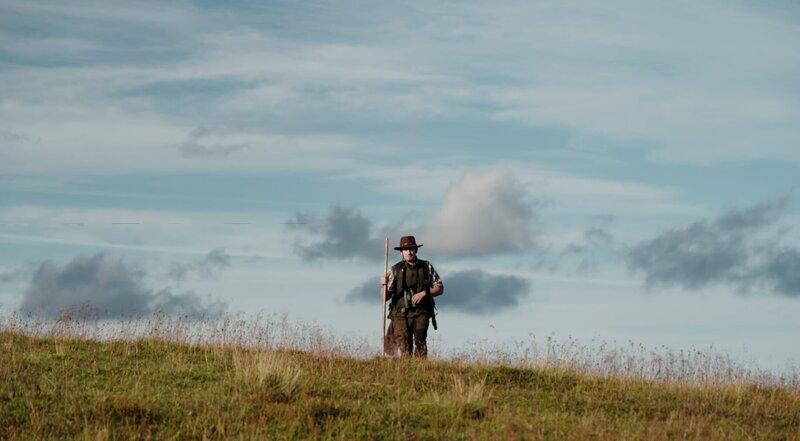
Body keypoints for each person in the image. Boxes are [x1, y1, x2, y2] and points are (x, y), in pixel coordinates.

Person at [380, 236, 443, 358]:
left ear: (416, 250)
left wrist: (425, 293)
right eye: (406, 249)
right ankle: (407, 368)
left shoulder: (426, 267)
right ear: (401, 252)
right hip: (400, 314)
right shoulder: (395, 270)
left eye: (411, 249)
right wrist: (383, 285)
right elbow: (385, 297)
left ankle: (421, 368)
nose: (409, 252)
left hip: (421, 312)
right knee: (405, 346)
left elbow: (440, 288)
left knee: (420, 341)